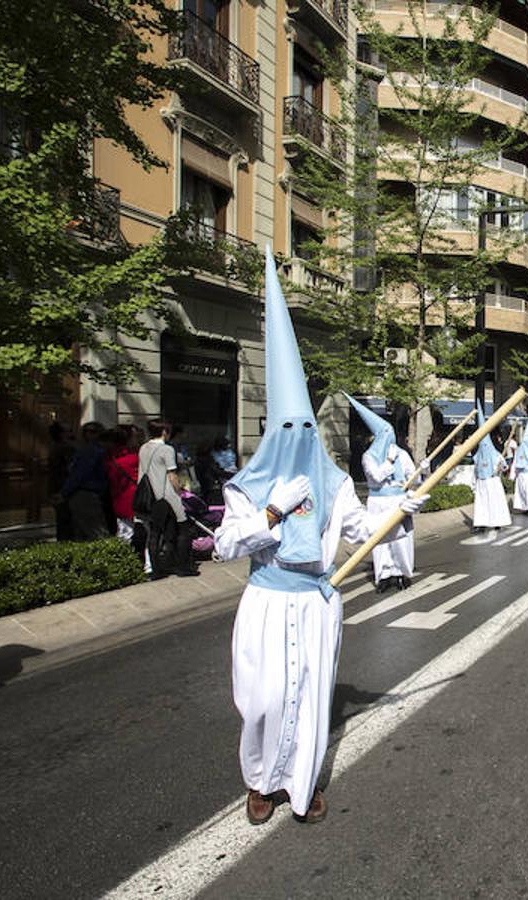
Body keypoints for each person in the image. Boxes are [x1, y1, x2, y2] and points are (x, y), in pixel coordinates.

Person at [215, 246, 425, 826]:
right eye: (288, 427)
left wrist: (401, 508)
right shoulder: (249, 487)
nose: (299, 435)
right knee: (261, 701)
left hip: (317, 599)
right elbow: (226, 545)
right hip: (265, 601)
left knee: (311, 699)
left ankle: (299, 787)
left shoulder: (332, 482)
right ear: (271, 434)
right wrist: (272, 516)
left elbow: (361, 528)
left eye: (306, 426)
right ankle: (259, 780)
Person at [346, 394, 420, 594]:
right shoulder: (369, 456)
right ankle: (384, 575)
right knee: (379, 541)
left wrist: (421, 472)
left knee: (401, 540)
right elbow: (376, 478)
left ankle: (402, 573)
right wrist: (388, 461)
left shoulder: (402, 454)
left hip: (398, 500)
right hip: (378, 501)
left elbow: (412, 477)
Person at [138, 418, 197, 578]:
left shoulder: (143, 448)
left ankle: (156, 570)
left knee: (155, 533)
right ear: (164, 432)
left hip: (152, 497)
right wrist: (181, 491)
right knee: (183, 530)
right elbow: (172, 475)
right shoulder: (167, 450)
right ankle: (182, 567)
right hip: (168, 495)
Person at [61, 421, 111, 540]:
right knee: (89, 533)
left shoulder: (95, 451)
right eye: (87, 432)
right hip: (84, 493)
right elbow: (78, 474)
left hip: (90, 494)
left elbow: (79, 473)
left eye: (94, 432)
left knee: (91, 533)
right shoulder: (89, 451)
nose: (90, 435)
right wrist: (65, 492)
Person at [472, 404, 512, 531]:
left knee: (494, 502)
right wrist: (474, 483)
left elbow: (504, 466)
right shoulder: (477, 456)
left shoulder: (496, 455)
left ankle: (496, 522)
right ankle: (481, 524)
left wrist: (501, 467)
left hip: (493, 481)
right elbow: (475, 470)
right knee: (481, 504)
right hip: (481, 482)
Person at [102, 425, 141, 556]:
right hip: (135, 499)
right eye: (135, 436)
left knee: (124, 532)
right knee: (137, 532)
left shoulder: (110, 458)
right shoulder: (134, 458)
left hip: (119, 500)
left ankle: (122, 560)